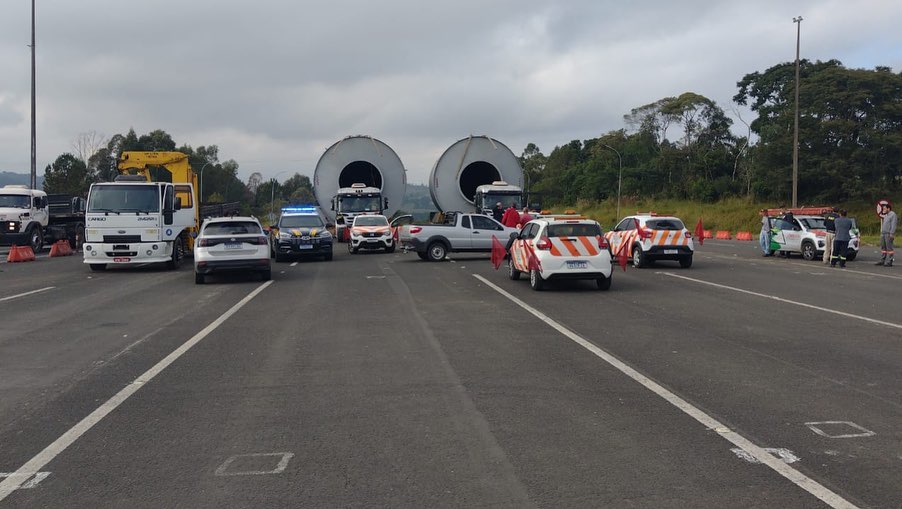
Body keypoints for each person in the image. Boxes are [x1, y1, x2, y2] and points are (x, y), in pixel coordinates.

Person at [877, 201, 897, 267]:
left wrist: (892, 233)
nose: (883, 210)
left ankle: (890, 261)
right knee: (883, 247)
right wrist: (881, 233)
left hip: (888, 234)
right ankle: (882, 260)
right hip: (883, 233)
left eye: (884, 209)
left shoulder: (893, 215)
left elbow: (893, 225)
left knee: (889, 248)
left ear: (888, 209)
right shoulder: (886, 215)